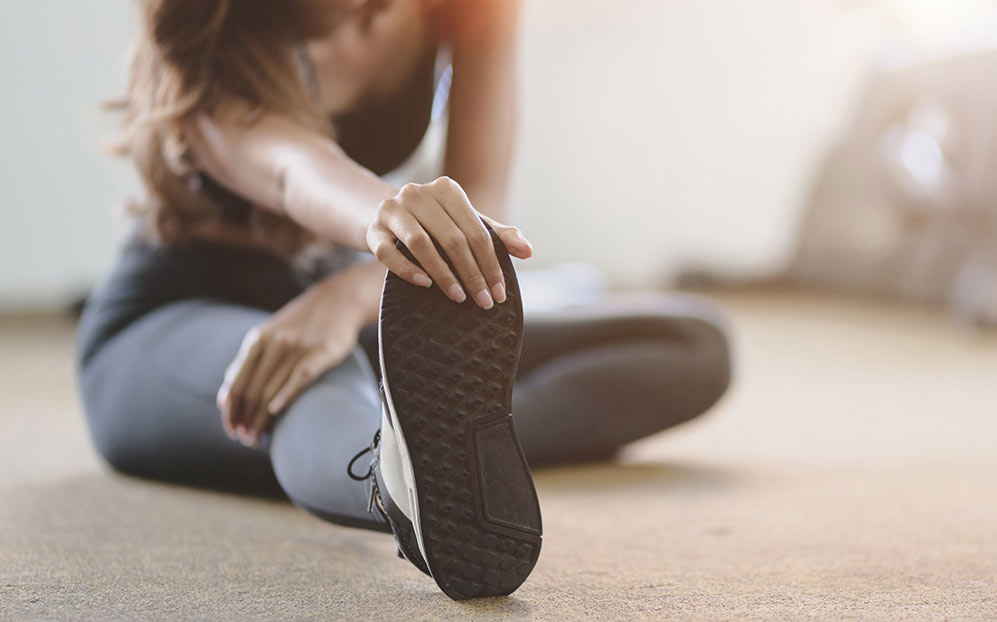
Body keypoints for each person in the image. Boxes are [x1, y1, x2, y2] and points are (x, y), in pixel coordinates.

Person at [77, 0, 732, 600]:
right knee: (312, 371)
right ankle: (395, 481)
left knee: (692, 342)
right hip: (171, 318)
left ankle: (444, 440)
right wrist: (385, 219)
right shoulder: (204, 25)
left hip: (335, 300)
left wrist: (342, 300)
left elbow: (483, 194)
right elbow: (294, 171)